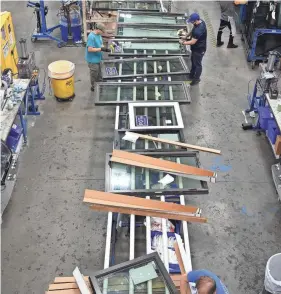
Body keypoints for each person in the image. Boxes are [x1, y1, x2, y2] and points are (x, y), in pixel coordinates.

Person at [179, 13, 207, 86]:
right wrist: (186, 36)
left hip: (199, 49)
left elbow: (192, 42)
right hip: (195, 48)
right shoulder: (200, 22)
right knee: (193, 61)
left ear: (195, 20)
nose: (191, 22)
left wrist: (183, 43)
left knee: (198, 64)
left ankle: (196, 79)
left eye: (192, 21)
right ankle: (191, 74)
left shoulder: (199, 30)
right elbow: (192, 30)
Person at [85, 23, 110, 92]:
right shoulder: (91, 37)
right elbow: (89, 49)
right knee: (94, 73)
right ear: (98, 29)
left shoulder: (98, 35)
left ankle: (100, 83)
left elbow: (100, 44)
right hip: (92, 60)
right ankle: (93, 86)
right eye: (102, 31)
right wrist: (101, 49)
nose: (102, 33)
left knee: (99, 72)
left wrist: (106, 48)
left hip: (98, 57)